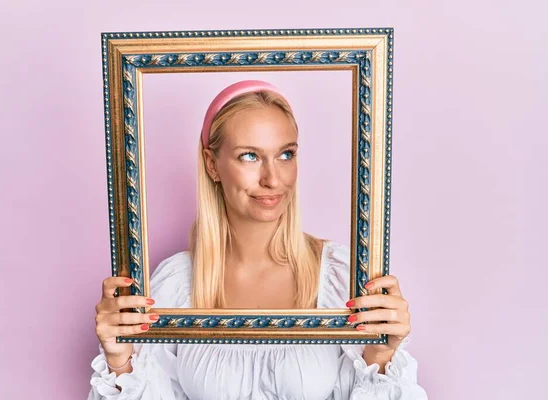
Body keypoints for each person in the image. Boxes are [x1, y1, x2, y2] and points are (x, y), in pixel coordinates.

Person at [88, 80, 428, 399]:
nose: (272, 178)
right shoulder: (175, 284)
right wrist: (119, 361)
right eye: (249, 156)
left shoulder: (342, 278)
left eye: (286, 154)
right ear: (212, 165)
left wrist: (381, 357)